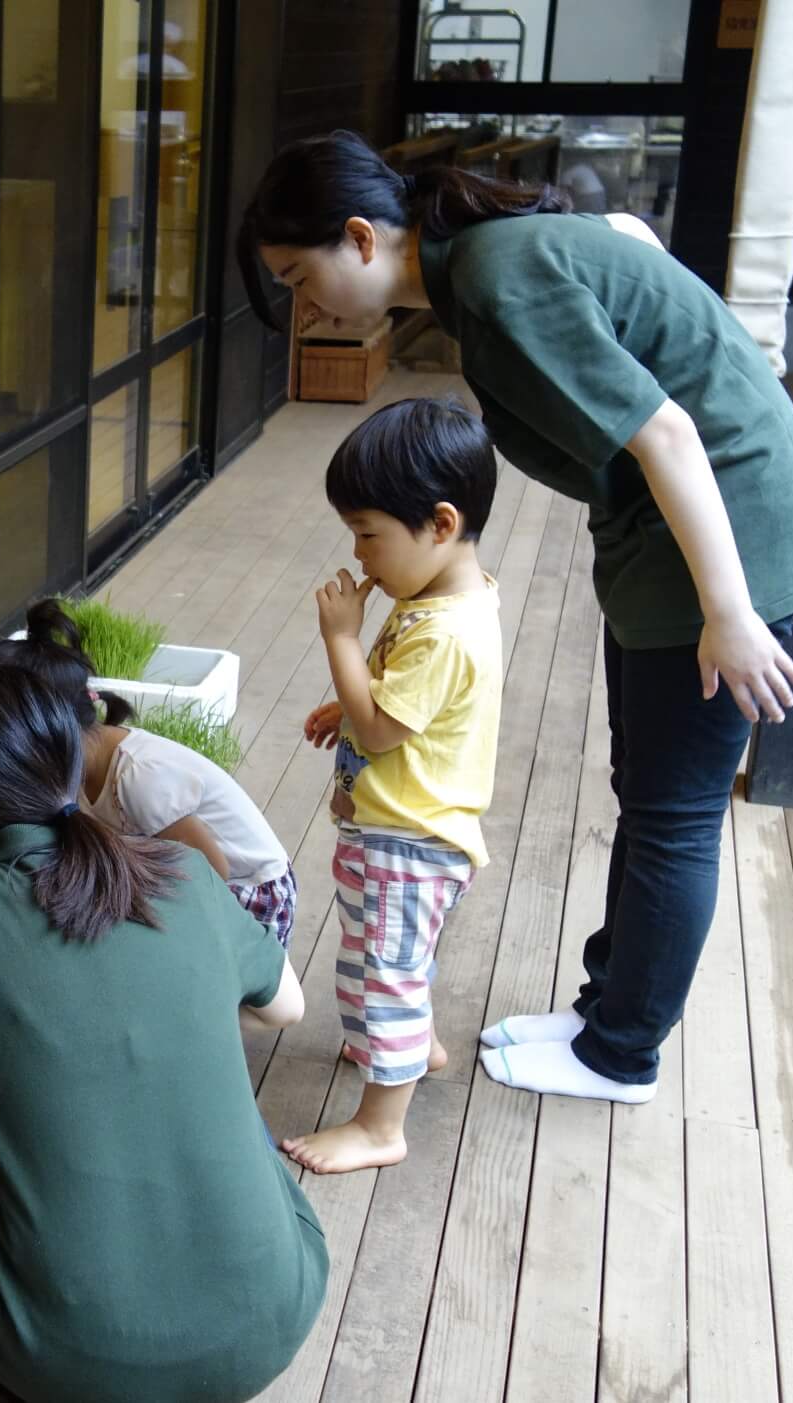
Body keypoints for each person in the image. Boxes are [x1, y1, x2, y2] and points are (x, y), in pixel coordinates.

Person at [238, 132, 793, 1104]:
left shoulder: (492, 274)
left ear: (358, 237)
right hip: (673, 540)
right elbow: (623, 238)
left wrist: (729, 609)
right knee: (649, 796)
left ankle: (619, 1052)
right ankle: (601, 1010)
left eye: (298, 274)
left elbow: (662, 428)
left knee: (672, 815)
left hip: (722, 541)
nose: (303, 304)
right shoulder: (483, 259)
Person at [0, 666, 328, 1402]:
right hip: (275, 1316)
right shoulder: (183, 871)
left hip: (57, 1359)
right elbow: (286, 1007)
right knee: (197, 1056)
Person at [282, 399, 503, 1174]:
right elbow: (399, 706)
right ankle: (413, 1045)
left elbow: (381, 728)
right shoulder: (440, 600)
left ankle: (382, 1124)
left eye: (369, 533)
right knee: (392, 958)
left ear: (441, 524)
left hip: (405, 841)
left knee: (385, 970)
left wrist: (340, 640)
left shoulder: (444, 629)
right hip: (417, 833)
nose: (359, 553)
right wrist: (343, 699)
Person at [0, 599, 299, 946]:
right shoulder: (82, 770)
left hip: (251, 892)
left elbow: (211, 874)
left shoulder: (139, 777)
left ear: (48, 729)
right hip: (182, 882)